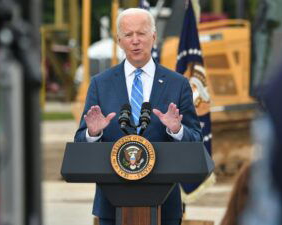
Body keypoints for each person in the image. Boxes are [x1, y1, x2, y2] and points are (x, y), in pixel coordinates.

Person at [74, 8, 202, 225]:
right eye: (128, 35)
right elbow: (80, 141)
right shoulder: (100, 83)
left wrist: (177, 130)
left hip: (164, 207)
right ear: (119, 41)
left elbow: (196, 139)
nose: (135, 41)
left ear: (153, 37)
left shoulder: (177, 84)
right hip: (111, 206)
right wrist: (93, 133)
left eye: (141, 34)